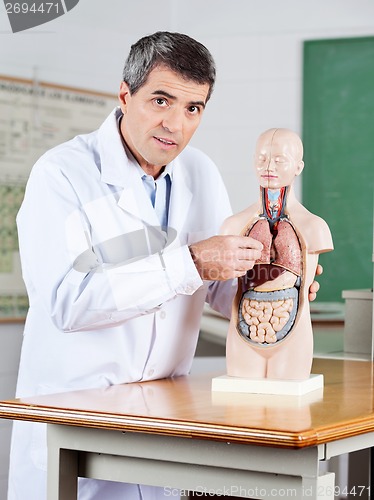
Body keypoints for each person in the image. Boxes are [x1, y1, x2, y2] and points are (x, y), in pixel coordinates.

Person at [8, 33, 320, 500]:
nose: (175, 123)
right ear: (124, 95)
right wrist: (192, 261)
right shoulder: (62, 175)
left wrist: (268, 278)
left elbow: (216, 288)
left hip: (163, 423)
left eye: (193, 108)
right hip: (77, 424)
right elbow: (67, 302)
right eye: (161, 100)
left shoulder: (199, 171)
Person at [222, 128, 333, 381]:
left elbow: (304, 290)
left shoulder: (314, 227)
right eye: (261, 159)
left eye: (279, 160)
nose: (268, 166)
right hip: (244, 325)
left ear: (298, 167)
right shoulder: (233, 225)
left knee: (287, 414)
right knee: (242, 412)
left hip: (294, 332)